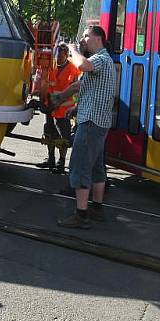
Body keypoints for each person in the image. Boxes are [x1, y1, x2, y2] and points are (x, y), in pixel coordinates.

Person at [50, 25, 116, 228]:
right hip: (98, 121)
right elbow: (84, 86)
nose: (84, 39)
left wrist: (72, 50)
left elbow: (82, 66)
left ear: (98, 38)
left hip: (91, 123)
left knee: (79, 166)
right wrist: (72, 106)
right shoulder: (104, 61)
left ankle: (81, 214)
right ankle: (96, 208)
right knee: (96, 168)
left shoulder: (101, 59)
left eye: (87, 36)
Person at [37, 43, 80, 173]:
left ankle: (60, 163)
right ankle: (50, 159)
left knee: (63, 138)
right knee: (49, 134)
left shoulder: (73, 69)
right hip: (50, 106)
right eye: (57, 56)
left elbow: (75, 92)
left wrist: (64, 105)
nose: (59, 59)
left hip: (63, 110)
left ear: (66, 55)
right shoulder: (51, 66)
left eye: (61, 56)